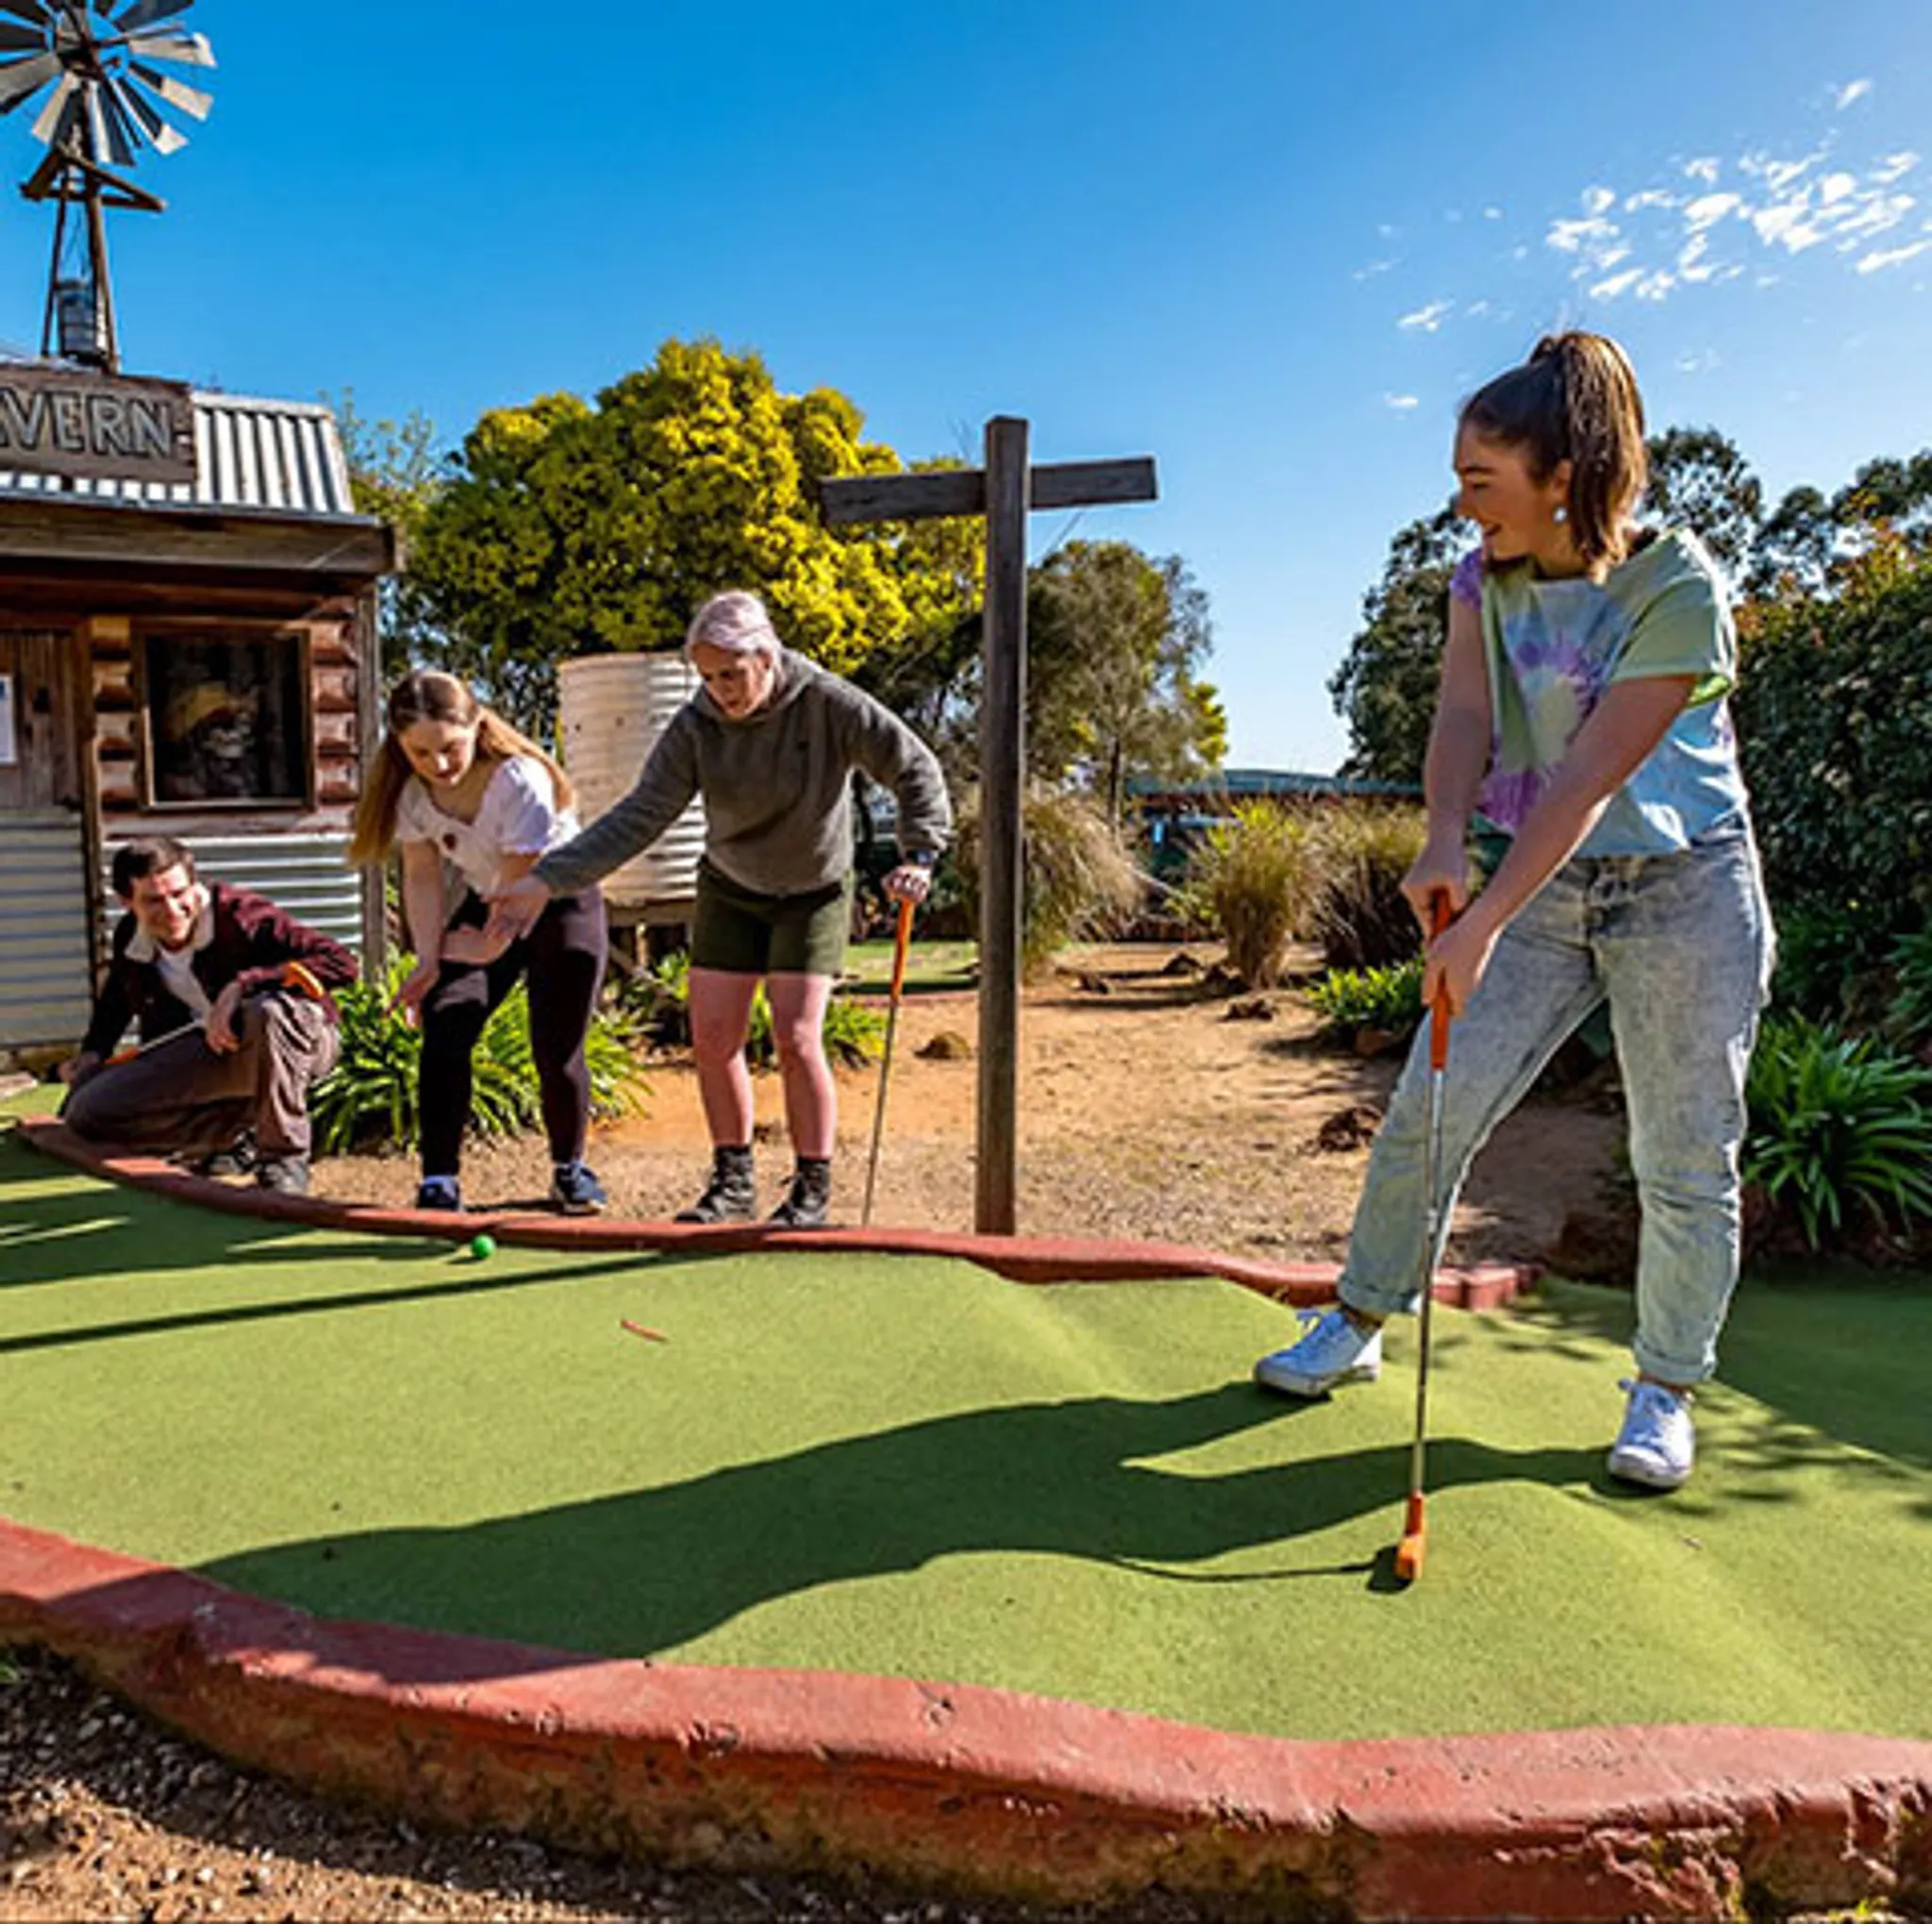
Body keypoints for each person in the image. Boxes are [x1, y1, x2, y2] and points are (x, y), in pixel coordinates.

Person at [1253, 332, 1774, 1492]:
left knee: (1684, 1151)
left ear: (1562, 477)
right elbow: (1460, 718)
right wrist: (1442, 832)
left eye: (1479, 479)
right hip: (1539, 881)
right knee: (1426, 1110)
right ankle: (1357, 1315)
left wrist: (1479, 917)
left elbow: (1584, 777)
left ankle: (1663, 1386)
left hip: (1684, 884)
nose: (1461, 504)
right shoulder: (1477, 583)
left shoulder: (1674, 584)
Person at [488, 590, 953, 1230]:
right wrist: (548, 879)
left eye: (731, 674)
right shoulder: (696, 727)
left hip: (813, 890)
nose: (720, 691)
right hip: (731, 887)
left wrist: (920, 853)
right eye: (707, 677)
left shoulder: (827, 703)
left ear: (767, 657)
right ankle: (733, 1182)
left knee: (795, 1036)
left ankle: (811, 1189)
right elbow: (639, 816)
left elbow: (914, 767)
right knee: (711, 1036)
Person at [349, 671, 609, 1215]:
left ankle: (570, 1170)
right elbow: (421, 874)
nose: (439, 765)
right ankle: (438, 1180)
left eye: (450, 747)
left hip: (556, 902)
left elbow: (519, 889)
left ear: (476, 726)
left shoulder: (521, 780)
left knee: (556, 1048)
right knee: (446, 1020)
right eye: (421, 753)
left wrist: (485, 950)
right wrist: (427, 959)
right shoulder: (411, 793)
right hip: (487, 899)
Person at [60, 837, 357, 1195]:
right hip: (210, 1049)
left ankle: (283, 1160)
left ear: (194, 884)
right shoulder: (130, 937)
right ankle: (230, 1140)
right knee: (88, 1112)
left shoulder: (241, 916)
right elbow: (116, 1002)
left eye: (179, 894)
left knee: (268, 1011)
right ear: (127, 902)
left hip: (299, 1041)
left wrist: (243, 984)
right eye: (154, 900)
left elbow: (342, 963)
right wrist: (92, 1054)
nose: (172, 910)